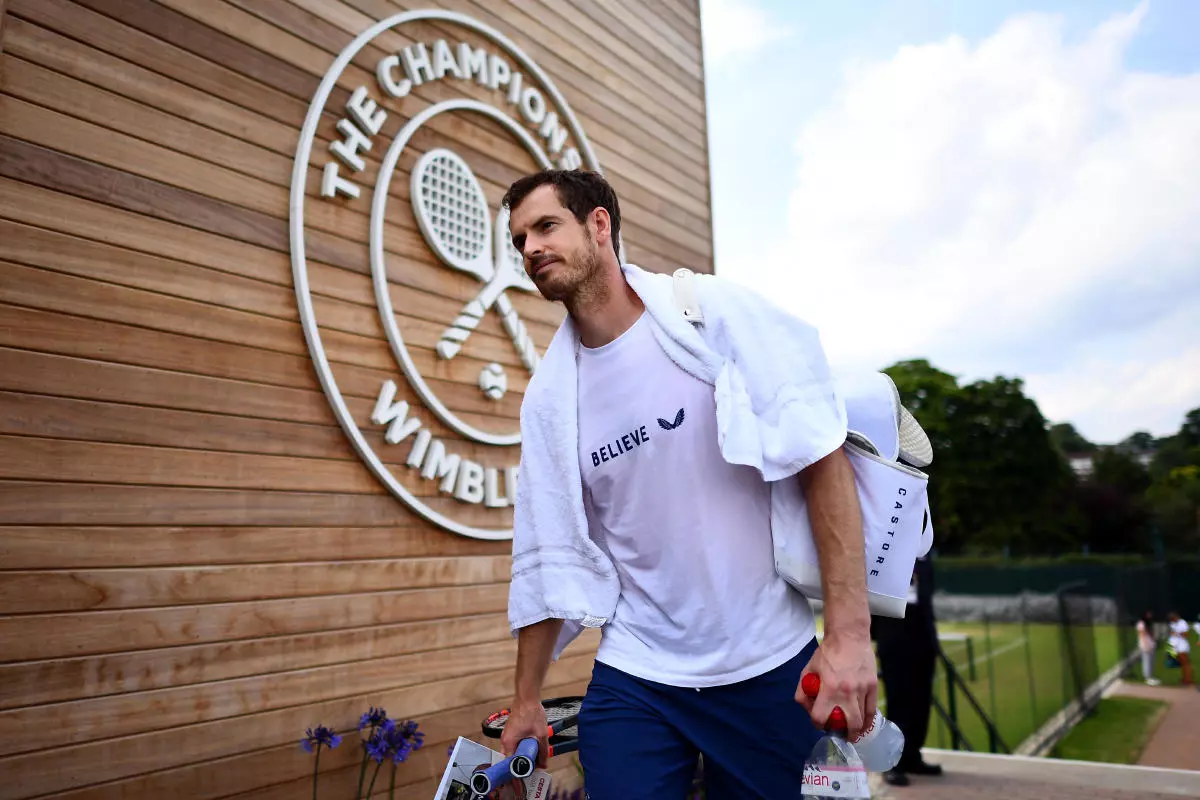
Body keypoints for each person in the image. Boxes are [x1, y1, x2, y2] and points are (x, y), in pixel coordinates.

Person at [495, 170, 878, 799]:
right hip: (638, 672)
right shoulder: (550, 400)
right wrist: (526, 698)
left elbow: (819, 453)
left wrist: (848, 636)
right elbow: (548, 549)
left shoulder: (711, 317)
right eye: (519, 240)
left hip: (766, 660)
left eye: (545, 226)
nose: (530, 248)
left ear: (598, 225)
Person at [874, 552, 943, 786]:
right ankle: (892, 763)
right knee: (899, 701)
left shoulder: (924, 556)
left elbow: (927, 596)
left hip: (923, 632)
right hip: (894, 631)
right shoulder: (886, 547)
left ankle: (913, 755)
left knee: (921, 701)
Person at [1167, 611, 1193, 686]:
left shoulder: (1182, 623)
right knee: (1181, 663)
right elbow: (1170, 633)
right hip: (1174, 646)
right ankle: (1184, 678)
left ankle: (1188, 679)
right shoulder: (1171, 623)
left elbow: (1186, 634)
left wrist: (1177, 633)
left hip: (1182, 646)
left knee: (1185, 663)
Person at [1136, 611, 1161, 686]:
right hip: (1146, 646)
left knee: (1152, 662)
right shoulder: (1141, 624)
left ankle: (1151, 676)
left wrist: (1154, 642)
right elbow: (1142, 635)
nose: (1150, 616)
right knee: (1146, 662)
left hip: (1151, 645)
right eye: (1148, 615)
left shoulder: (1149, 623)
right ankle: (1147, 678)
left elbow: (1152, 634)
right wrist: (1146, 645)